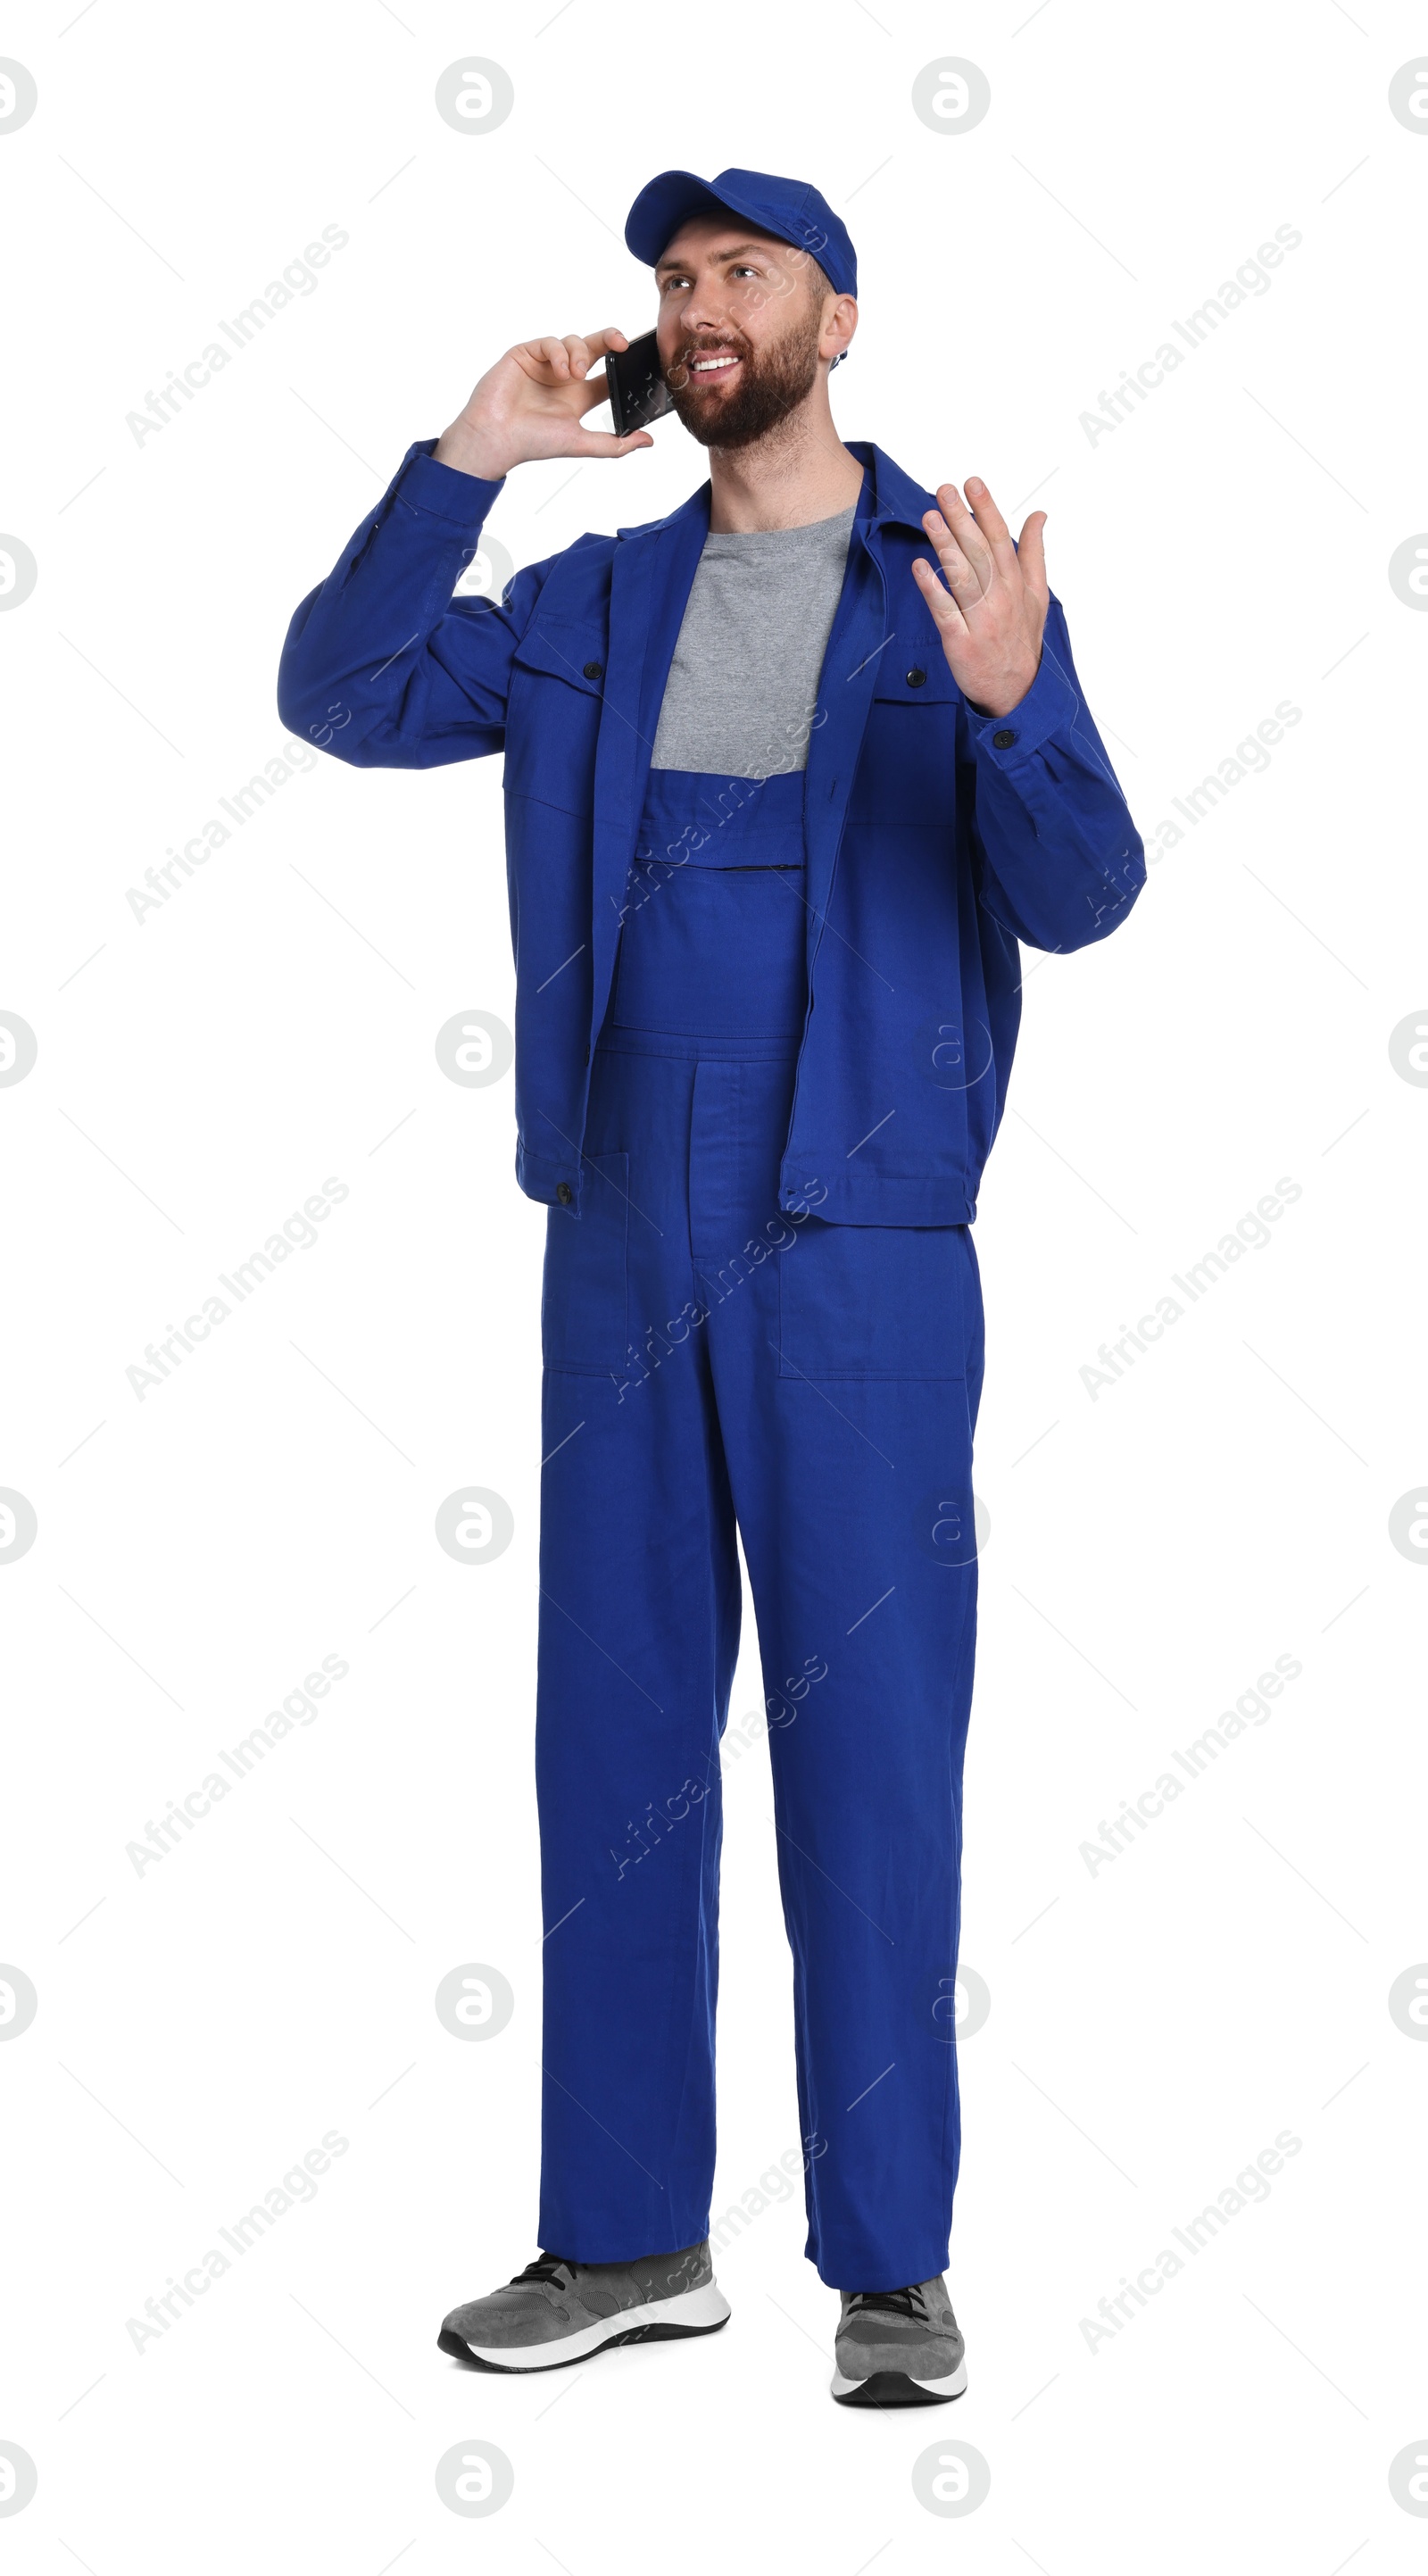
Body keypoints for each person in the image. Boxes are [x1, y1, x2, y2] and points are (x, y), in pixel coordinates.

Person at [278, 165, 1144, 2409]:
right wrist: (464, 459)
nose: (696, 303)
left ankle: (890, 2267)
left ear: (833, 317)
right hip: (622, 1228)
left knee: (869, 1752)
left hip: (855, 1241)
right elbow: (342, 690)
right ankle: (629, 2236)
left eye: (741, 271)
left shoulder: (944, 589)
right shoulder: (578, 603)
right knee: (621, 1743)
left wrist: (1016, 703)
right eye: (672, 277)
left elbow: (1080, 896)